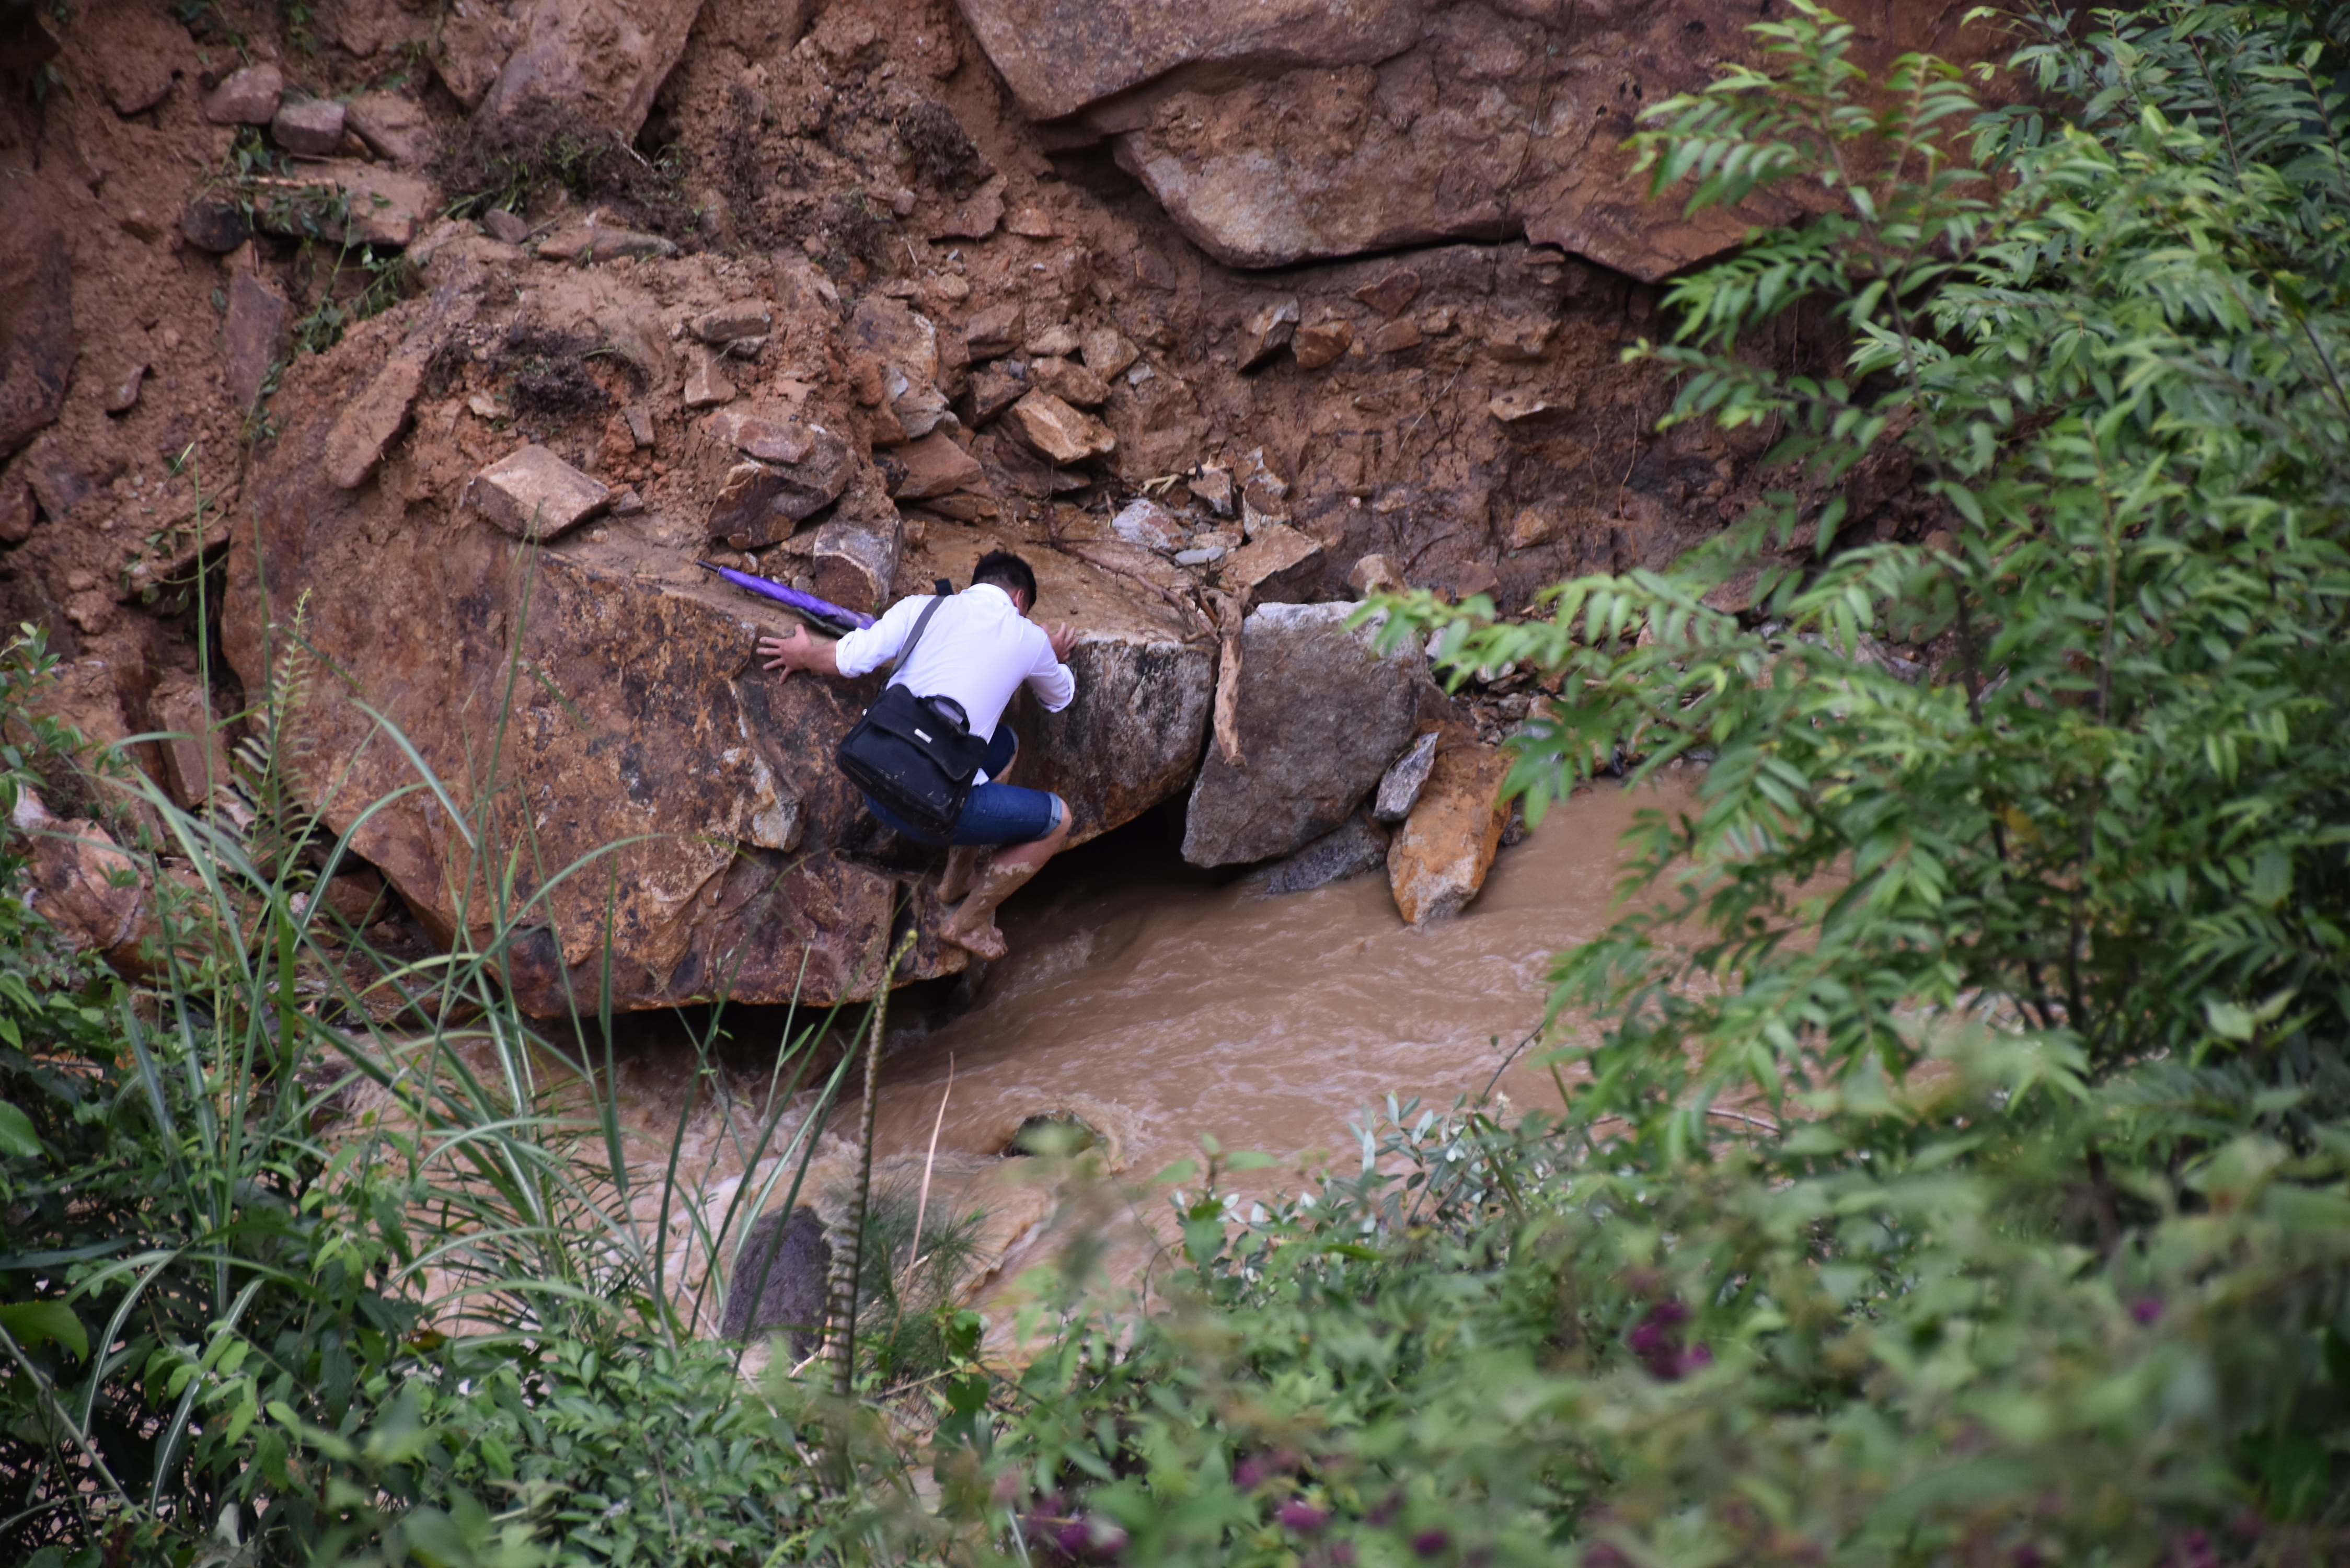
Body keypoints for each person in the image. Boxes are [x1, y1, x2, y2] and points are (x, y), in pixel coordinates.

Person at [758, 550, 1078, 960]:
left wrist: (801, 655)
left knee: (1005, 745)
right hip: (933, 809)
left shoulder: (921, 608)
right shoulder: (1029, 638)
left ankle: (955, 880)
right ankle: (968, 923)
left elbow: (853, 658)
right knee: (1058, 820)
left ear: (973, 586)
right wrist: (1053, 656)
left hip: (876, 785)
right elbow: (1059, 699)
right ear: (1019, 600)